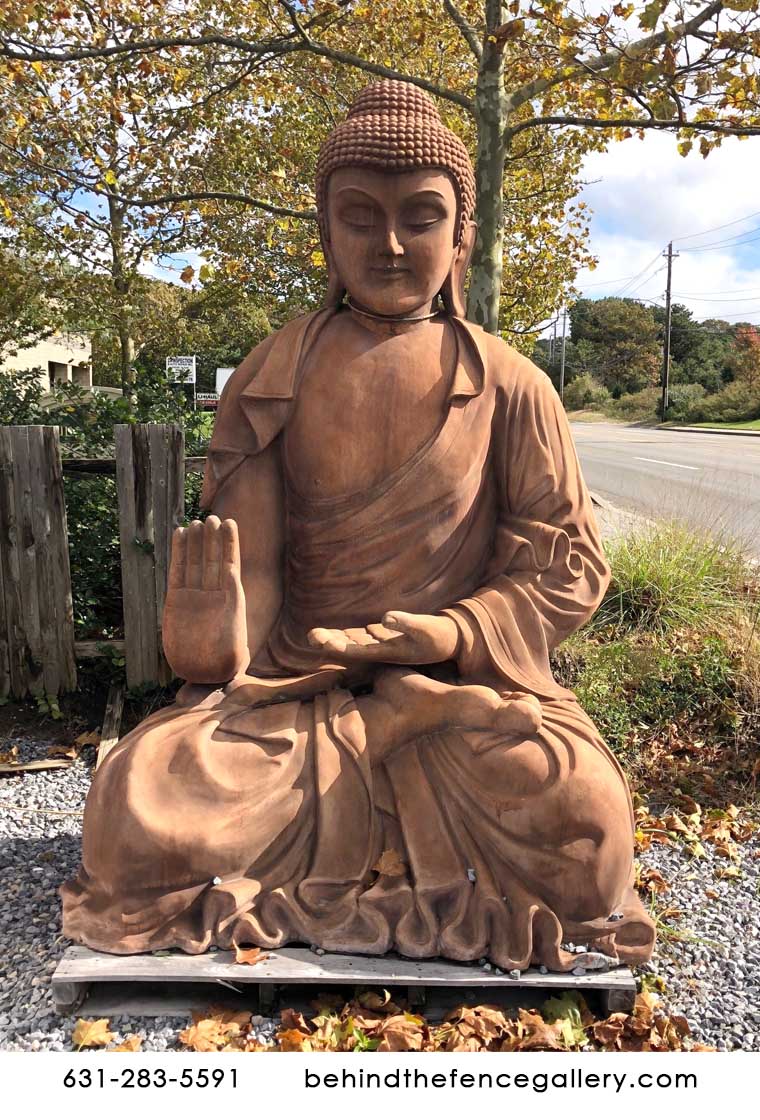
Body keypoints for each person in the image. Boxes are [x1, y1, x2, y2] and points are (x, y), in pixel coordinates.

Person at [60, 81, 655, 970]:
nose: (388, 244)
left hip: (455, 693)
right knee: (132, 805)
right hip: (296, 697)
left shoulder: (511, 385)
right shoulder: (275, 373)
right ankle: (377, 794)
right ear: (325, 234)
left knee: (585, 823)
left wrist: (453, 629)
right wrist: (207, 639)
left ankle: (390, 773)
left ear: (463, 237)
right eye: (359, 217)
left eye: (420, 217)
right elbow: (249, 585)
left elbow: (567, 565)